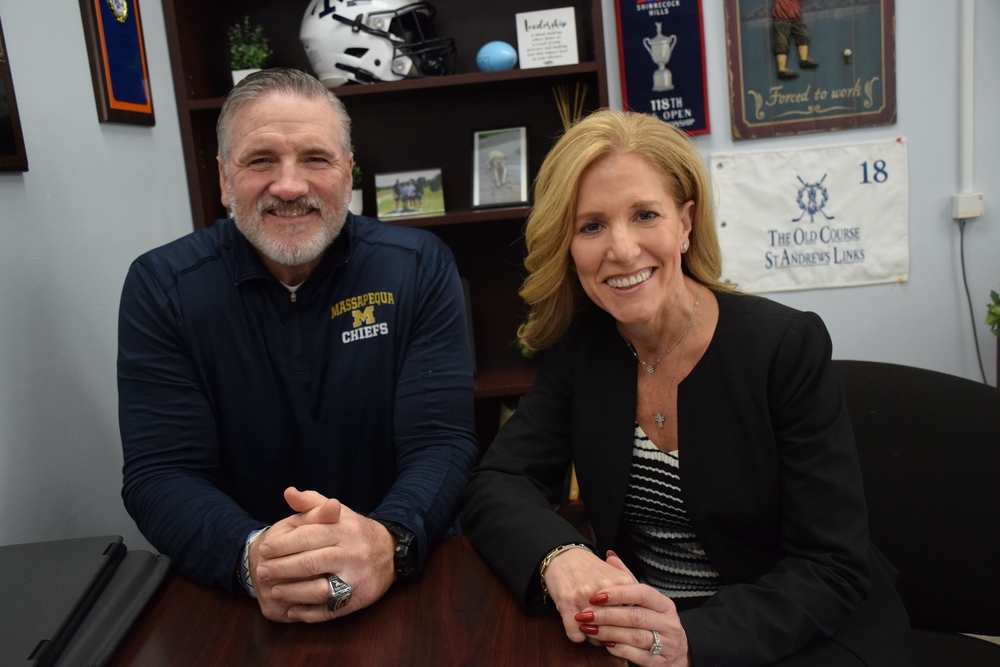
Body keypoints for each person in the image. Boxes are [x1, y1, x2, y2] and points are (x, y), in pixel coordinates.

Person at [462, 109, 913, 665]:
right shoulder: (585, 349)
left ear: (686, 222)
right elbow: (498, 481)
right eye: (592, 226)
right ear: (569, 246)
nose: (621, 249)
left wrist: (693, 639)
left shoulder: (785, 347)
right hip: (649, 634)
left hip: (796, 632)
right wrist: (560, 555)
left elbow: (831, 566)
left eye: (645, 214)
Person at [118, 68, 478, 623]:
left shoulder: (419, 267)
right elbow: (162, 474)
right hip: (243, 593)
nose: (289, 186)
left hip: (408, 573)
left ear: (348, 172)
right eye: (260, 160)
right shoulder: (163, 288)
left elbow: (443, 441)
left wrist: (388, 541)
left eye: (316, 158)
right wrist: (255, 556)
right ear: (222, 178)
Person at [772, 0, 819, 80]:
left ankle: (804, 59)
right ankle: (782, 69)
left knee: (803, 36)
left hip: (795, 17)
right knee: (781, 43)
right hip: (781, 18)